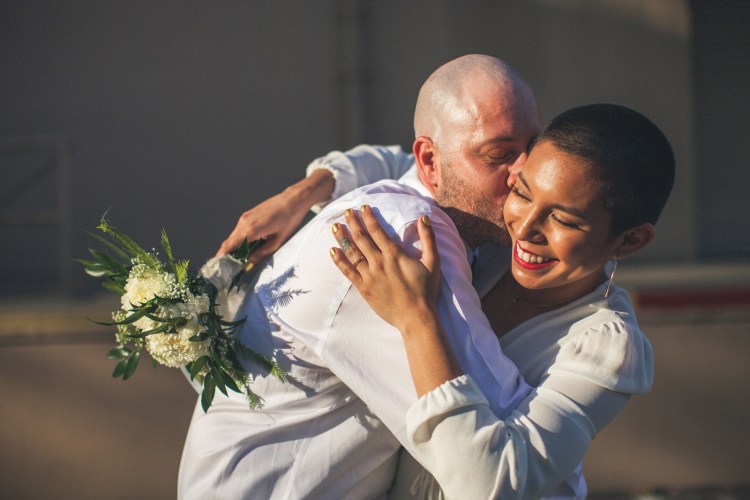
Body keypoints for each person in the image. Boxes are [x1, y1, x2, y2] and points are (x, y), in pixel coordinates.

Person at [179, 54, 568, 498]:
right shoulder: (399, 240)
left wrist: (307, 188)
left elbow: (392, 159)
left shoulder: (436, 191)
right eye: (499, 156)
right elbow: (498, 452)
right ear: (431, 162)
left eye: (534, 147)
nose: (527, 174)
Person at [328, 103, 675, 499]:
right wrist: (312, 187)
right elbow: (407, 160)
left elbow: (490, 486)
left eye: (563, 220)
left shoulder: (607, 346)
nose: (524, 229)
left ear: (630, 240)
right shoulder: (487, 247)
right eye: (521, 193)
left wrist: (417, 321)